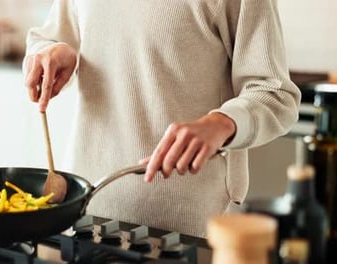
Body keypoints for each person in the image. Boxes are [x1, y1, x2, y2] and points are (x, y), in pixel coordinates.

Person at [22, 0, 301, 237]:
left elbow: (275, 93)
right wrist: (50, 52)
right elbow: (46, 39)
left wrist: (220, 123)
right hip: (84, 213)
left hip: (187, 225)